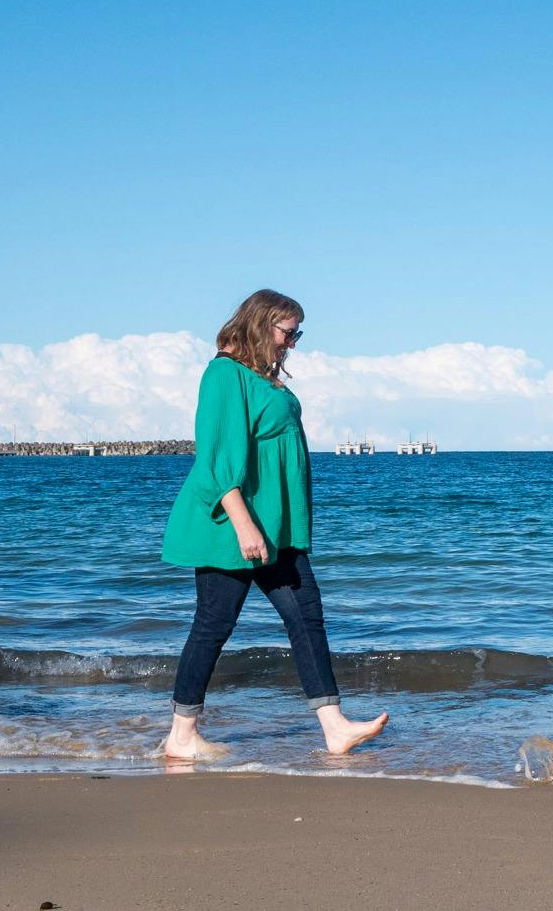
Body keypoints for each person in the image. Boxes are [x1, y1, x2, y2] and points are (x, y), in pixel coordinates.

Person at [160, 290, 388, 759]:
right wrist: (244, 525)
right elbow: (217, 459)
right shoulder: (225, 374)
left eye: (297, 333)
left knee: (306, 616)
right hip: (233, 523)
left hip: (275, 526)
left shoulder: (261, 377)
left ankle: (334, 727)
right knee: (213, 624)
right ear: (261, 324)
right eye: (288, 332)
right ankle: (181, 736)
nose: (293, 343)